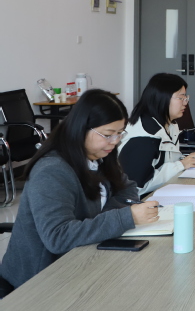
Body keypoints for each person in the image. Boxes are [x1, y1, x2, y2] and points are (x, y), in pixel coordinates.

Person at [0, 89, 160, 290]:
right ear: (82, 128)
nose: (115, 141)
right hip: (39, 280)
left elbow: (127, 187)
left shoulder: (99, 154)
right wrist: (124, 217)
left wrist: (105, 220)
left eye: (120, 133)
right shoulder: (51, 171)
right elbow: (58, 237)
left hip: (85, 258)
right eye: (108, 135)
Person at [118, 73, 195, 196]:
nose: (185, 102)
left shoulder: (169, 125)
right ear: (162, 98)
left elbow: (165, 162)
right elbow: (137, 187)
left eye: (186, 97)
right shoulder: (144, 138)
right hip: (141, 200)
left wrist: (185, 161)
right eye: (181, 98)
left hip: (164, 190)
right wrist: (180, 165)